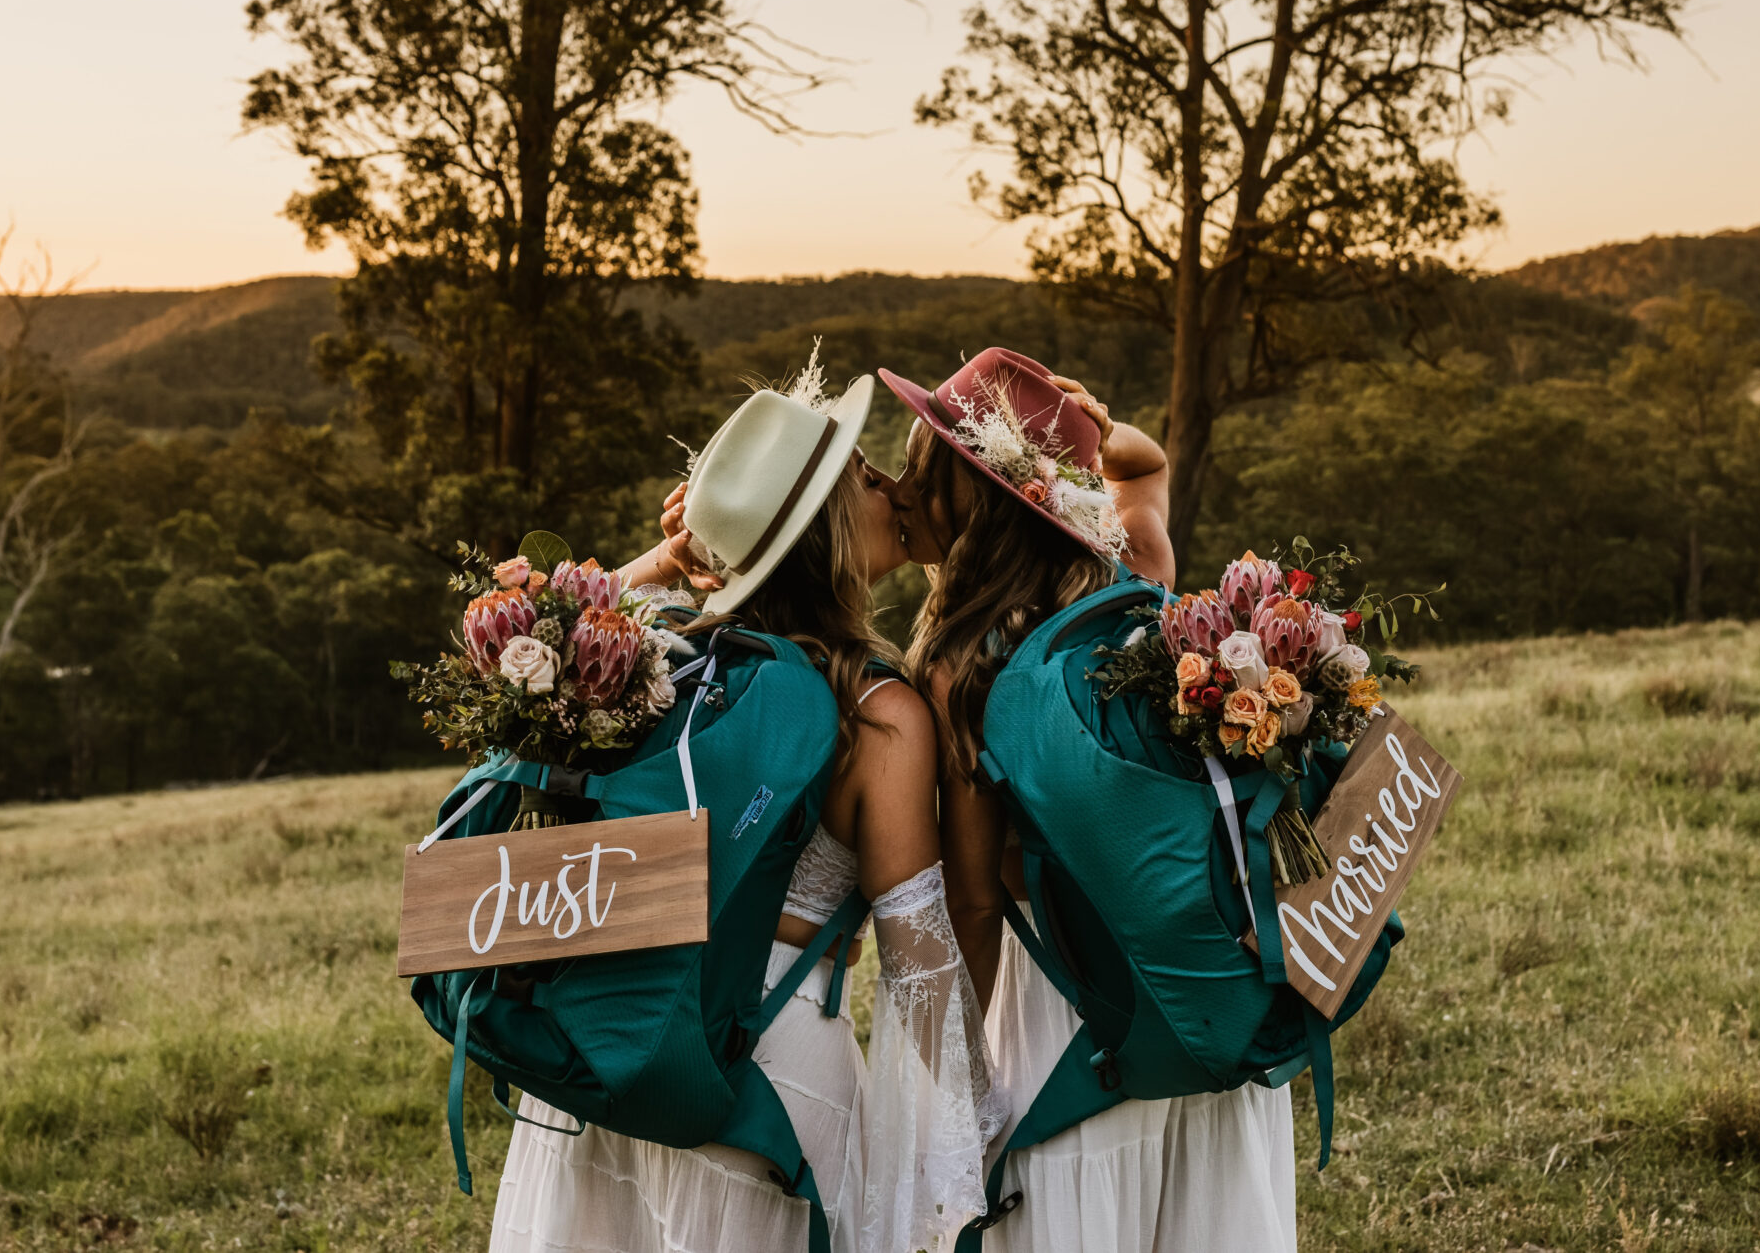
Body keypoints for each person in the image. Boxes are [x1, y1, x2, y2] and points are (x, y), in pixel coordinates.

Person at [488, 359, 999, 1253]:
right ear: (830, 525)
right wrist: (980, 1123)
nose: (891, 490)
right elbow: (919, 962)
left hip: (621, 1034)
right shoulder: (879, 713)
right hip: (769, 1069)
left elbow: (592, 616)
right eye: (869, 478)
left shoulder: (649, 669)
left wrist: (685, 556)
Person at [879, 348, 1299, 1253]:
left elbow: (976, 903)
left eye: (925, 466)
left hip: (1062, 1006)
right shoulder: (1138, 573)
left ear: (967, 494)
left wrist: (961, 1085)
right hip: (1186, 967)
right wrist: (1098, 429)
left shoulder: (962, 662)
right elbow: (1145, 467)